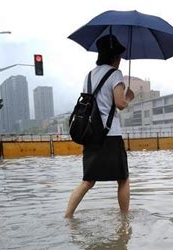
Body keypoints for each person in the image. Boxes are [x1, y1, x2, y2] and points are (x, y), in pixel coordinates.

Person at [65, 35, 134, 218]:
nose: (119, 60)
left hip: (91, 134)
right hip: (110, 135)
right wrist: (129, 97)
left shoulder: (89, 76)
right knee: (123, 179)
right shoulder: (115, 74)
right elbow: (119, 103)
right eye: (119, 56)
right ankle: (124, 220)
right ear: (114, 56)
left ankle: (68, 217)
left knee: (87, 181)